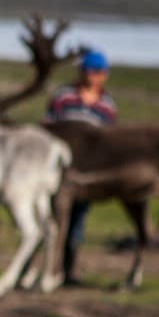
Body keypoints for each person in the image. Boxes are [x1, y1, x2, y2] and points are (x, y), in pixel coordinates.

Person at [46, 49, 117, 283]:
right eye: (89, 71)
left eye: (98, 72)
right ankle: (48, 268)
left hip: (86, 173)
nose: (93, 76)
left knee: (77, 221)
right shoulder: (63, 97)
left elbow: (109, 139)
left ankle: (69, 271)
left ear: (104, 75)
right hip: (59, 170)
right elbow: (48, 130)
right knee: (52, 220)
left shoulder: (107, 106)